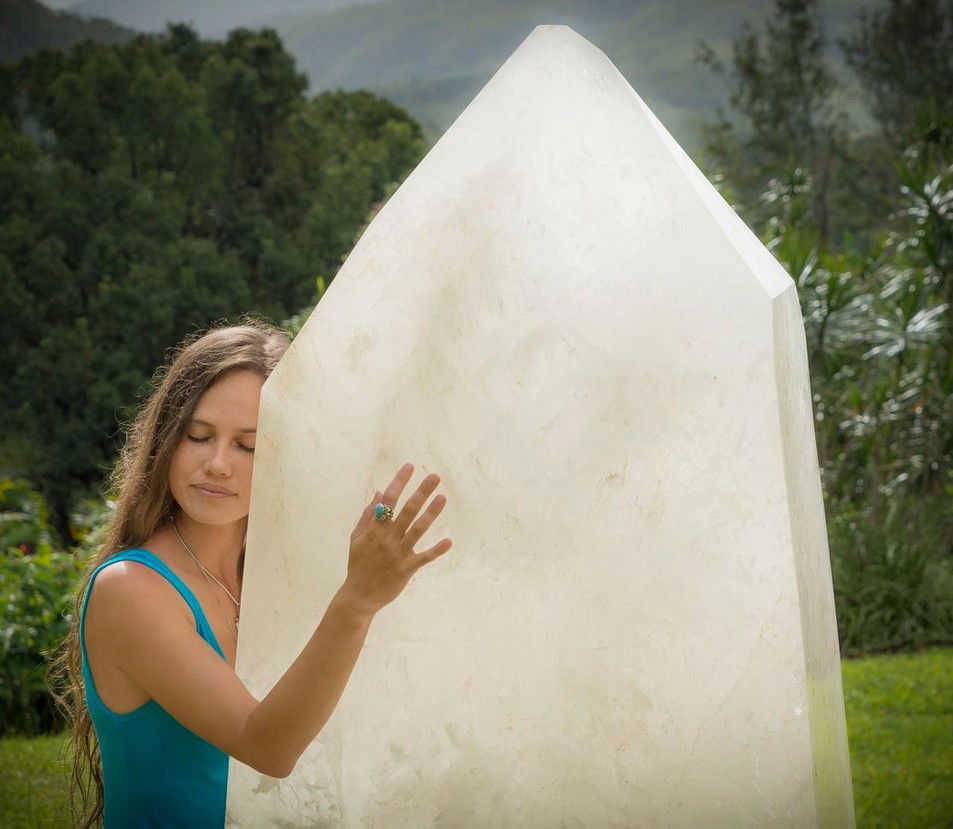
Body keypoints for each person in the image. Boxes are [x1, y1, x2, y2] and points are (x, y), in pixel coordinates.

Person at [47, 319, 452, 828]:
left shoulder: (280, 578)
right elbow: (268, 749)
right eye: (198, 435)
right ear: (166, 441)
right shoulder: (130, 589)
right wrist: (358, 602)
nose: (218, 463)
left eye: (249, 445)